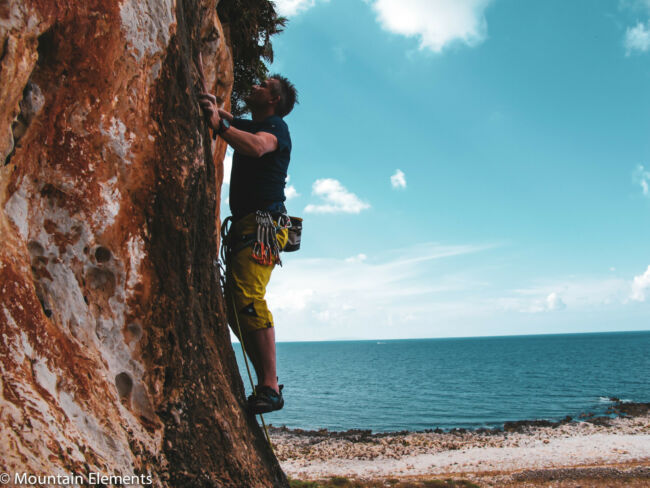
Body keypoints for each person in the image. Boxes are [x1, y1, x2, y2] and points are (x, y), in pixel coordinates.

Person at [199, 72, 297, 414]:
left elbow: (256, 148)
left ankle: (270, 386)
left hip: (262, 226)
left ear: (273, 100)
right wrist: (216, 111)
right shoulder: (254, 124)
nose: (255, 85)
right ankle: (265, 384)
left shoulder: (274, 130)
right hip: (250, 226)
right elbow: (229, 119)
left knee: (248, 298)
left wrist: (220, 127)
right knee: (234, 307)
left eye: (263, 86)